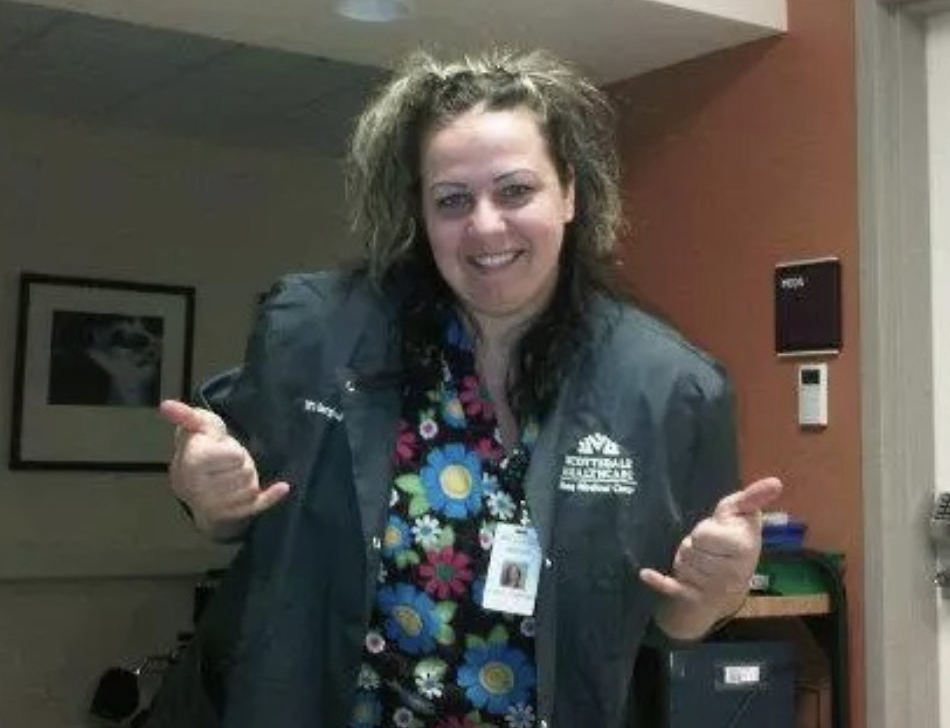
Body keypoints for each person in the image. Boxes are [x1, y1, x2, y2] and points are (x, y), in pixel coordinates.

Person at [147, 49, 781, 728]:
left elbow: (672, 620)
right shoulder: (314, 333)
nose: (485, 225)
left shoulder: (670, 389)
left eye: (515, 191)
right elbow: (233, 515)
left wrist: (715, 594)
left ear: (569, 193)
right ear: (420, 214)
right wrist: (205, 491)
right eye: (452, 200)